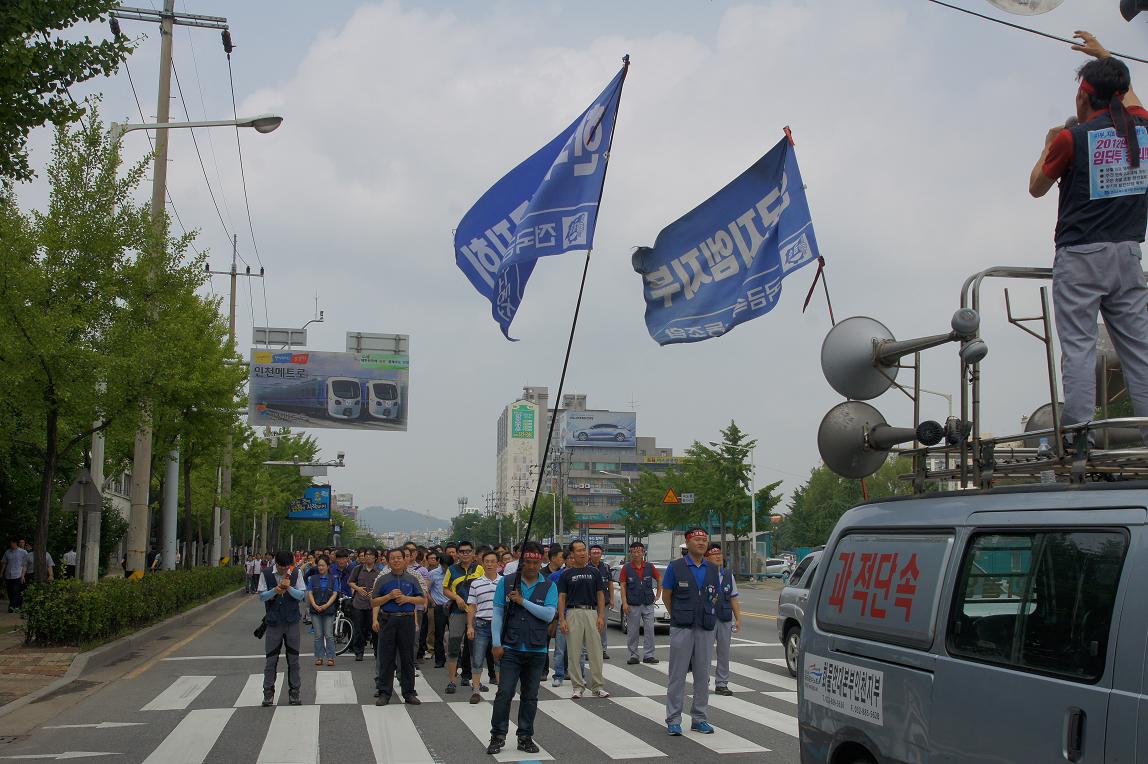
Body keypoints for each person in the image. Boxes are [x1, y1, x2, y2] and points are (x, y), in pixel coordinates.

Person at [1030, 31, 1148, 446]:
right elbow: (1129, 98)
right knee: (1139, 349)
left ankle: (1079, 436)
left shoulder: (1070, 139)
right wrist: (1106, 57)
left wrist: (1047, 145)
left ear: (1083, 96)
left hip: (1080, 258)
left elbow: (1036, 187)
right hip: (1128, 254)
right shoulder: (1143, 129)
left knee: (1079, 348)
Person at [486, 542, 557, 756]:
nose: (532, 566)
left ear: (541, 562)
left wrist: (522, 601)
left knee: (530, 696)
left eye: (536, 562)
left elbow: (548, 615)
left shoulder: (549, 585)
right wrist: (496, 643)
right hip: (510, 647)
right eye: (528, 562)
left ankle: (525, 737)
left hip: (536, 649)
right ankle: (497, 736)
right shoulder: (507, 581)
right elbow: (497, 613)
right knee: (504, 692)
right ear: (521, 561)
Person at [662, 527, 720, 735]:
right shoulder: (675, 567)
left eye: (704, 539)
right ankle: (673, 719)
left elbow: (715, 596)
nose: (702, 543)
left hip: (705, 627)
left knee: (703, 676)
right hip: (682, 627)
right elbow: (666, 595)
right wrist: (678, 614)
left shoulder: (712, 569)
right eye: (697, 539)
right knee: (677, 675)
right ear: (687, 542)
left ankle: (699, 718)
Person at [371, 548, 426, 706]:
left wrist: (407, 599)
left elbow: (421, 599)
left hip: (407, 620)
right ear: (388, 561)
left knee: (407, 658)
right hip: (388, 620)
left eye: (399, 558)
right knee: (386, 657)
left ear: (405, 560)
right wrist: (388, 597)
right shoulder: (382, 579)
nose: (396, 560)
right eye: (393, 558)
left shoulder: (412, 579)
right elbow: (374, 602)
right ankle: (384, 692)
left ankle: (409, 692)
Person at [557, 540, 609, 699]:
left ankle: (597, 686)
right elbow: (561, 597)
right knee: (574, 652)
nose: (582, 553)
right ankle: (578, 686)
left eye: (583, 550)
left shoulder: (594, 572)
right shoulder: (566, 574)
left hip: (591, 612)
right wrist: (562, 619)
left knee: (596, 651)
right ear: (572, 554)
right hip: (573, 613)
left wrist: (601, 616)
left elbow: (600, 595)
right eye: (578, 550)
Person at [257, 550, 305, 707]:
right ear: (275, 563)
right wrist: (275, 590)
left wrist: (288, 587)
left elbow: (301, 595)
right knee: (271, 660)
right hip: (274, 622)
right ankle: (268, 692)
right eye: (281, 567)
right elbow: (262, 596)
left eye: (286, 567)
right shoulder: (266, 574)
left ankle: (295, 692)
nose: (284, 569)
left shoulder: (296, 573)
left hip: (292, 621)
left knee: (294, 659)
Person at [443, 540, 482, 695]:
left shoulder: (479, 569)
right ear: (458, 554)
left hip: (475, 612)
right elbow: (445, 589)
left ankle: (475, 681)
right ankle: (451, 681)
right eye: (462, 551)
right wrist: (456, 598)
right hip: (457, 612)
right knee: (454, 647)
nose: (465, 554)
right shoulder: (452, 569)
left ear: (473, 553)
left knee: (475, 648)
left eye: (468, 551)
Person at [705, 543, 741, 696]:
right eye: (714, 554)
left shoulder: (728, 575)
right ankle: (703, 681)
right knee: (705, 652)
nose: (718, 556)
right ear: (707, 558)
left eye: (719, 554)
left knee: (724, 652)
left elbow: (733, 598)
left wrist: (738, 618)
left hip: (724, 618)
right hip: (707, 617)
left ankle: (721, 684)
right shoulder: (703, 574)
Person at [466, 550, 501, 703]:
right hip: (481, 624)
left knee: (499, 658)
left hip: (499, 625)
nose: (489, 564)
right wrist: (470, 626)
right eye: (487, 561)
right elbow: (472, 606)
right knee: (478, 659)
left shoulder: (504, 582)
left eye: (493, 561)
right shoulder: (475, 583)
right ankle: (475, 690)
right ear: (482, 563)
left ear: (498, 564)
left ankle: (501, 691)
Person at [619, 541, 661, 665]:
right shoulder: (626, 568)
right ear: (630, 553)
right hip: (633, 604)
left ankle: (649, 655)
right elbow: (623, 586)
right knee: (633, 631)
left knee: (650, 629)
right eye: (634, 552)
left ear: (643, 553)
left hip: (648, 603)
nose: (636, 554)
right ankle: (634, 655)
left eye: (639, 552)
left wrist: (658, 594)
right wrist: (624, 603)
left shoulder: (649, 566)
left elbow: (659, 578)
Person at [347, 548, 382, 662]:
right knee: (359, 629)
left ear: (375, 558)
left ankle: (377, 652)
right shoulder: (358, 569)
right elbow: (350, 581)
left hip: (373, 605)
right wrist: (357, 588)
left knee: (375, 629)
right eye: (366, 555)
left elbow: (383, 586)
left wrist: (375, 591)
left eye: (371, 555)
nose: (368, 557)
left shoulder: (380, 571)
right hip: (359, 603)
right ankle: (359, 652)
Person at [307, 555, 339, 667]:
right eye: (319, 565)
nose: (320, 567)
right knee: (318, 635)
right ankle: (319, 657)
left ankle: (330, 657)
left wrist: (326, 605)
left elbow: (335, 593)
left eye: (323, 565)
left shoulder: (333, 579)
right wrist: (314, 605)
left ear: (328, 566)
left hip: (328, 609)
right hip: (315, 610)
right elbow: (310, 592)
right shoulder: (312, 578)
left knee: (329, 634)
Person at [588, 544, 613, 660]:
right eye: (594, 553)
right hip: (590, 602)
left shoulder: (606, 567)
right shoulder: (586, 567)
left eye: (598, 553)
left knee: (602, 627)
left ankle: (603, 650)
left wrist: (612, 599)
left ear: (601, 554)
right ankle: (588, 651)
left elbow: (610, 584)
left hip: (605, 602)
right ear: (590, 554)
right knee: (589, 627)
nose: (596, 555)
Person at [425, 551, 449, 668]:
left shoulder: (454, 572)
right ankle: (439, 660)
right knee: (439, 634)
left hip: (452, 606)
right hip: (439, 607)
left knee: (455, 634)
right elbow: (426, 589)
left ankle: (456, 660)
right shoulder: (433, 574)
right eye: (444, 566)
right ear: (440, 563)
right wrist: (432, 602)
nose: (446, 568)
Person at [2, 539, 27, 613]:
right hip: (8, 575)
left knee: (15, 591)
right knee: (9, 591)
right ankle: (15, 605)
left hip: (18, 574)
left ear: (15, 543)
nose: (11, 545)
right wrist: (1, 573)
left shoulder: (23, 552)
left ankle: (12, 606)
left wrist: (23, 575)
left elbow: (25, 564)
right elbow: (4, 562)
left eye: (12, 543)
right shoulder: (7, 552)